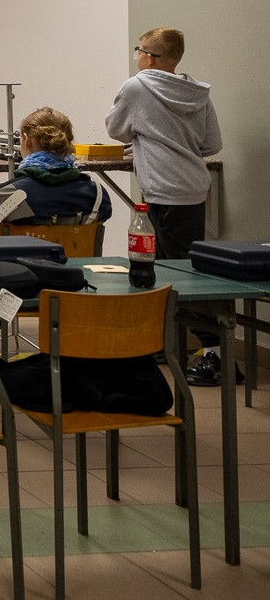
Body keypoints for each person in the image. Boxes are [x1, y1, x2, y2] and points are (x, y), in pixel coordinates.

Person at [105, 27, 224, 386]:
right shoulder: (197, 91)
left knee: (182, 274)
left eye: (139, 50)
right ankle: (164, 343)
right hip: (192, 187)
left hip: (163, 189)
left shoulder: (137, 86)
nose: (137, 55)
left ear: (150, 57)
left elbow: (115, 129)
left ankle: (216, 354)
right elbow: (211, 143)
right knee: (174, 267)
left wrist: (148, 140)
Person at [0, 107, 112, 238]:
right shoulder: (97, 194)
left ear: (26, 140)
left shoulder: (7, 196)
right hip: (78, 263)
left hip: (21, 264)